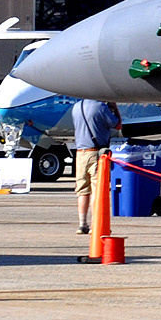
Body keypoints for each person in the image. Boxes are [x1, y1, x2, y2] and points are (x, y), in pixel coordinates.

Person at [71, 98, 121, 235]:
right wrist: (114, 107)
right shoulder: (100, 107)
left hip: (80, 153)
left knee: (82, 191)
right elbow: (117, 125)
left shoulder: (76, 107)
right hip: (95, 153)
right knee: (96, 190)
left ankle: (82, 224)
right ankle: (95, 224)